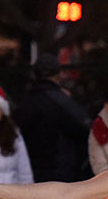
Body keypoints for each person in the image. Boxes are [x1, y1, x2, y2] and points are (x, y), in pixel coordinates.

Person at [14, 53, 92, 183]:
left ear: (34, 75)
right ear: (59, 74)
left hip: (30, 172)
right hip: (62, 173)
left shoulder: (25, 103)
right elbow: (86, 128)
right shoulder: (62, 102)